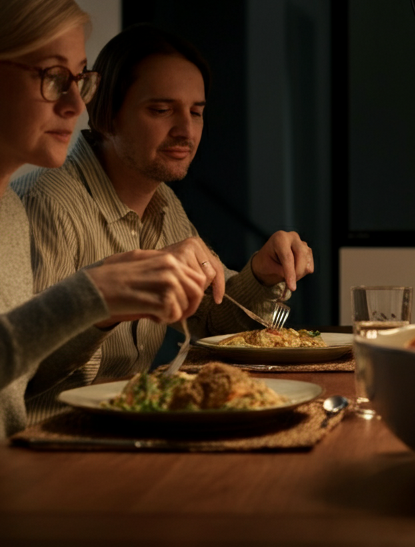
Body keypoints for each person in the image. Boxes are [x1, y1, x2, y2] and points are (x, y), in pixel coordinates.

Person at [14, 23, 315, 407]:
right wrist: (104, 304)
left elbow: (213, 321)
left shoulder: (164, 203)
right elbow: (21, 373)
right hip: (51, 443)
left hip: (126, 431)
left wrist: (261, 272)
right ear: (106, 112)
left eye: (196, 112)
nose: (186, 131)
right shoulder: (48, 201)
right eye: (161, 110)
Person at [0, 0, 207, 439]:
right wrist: (90, 297)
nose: (75, 104)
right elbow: (31, 387)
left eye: (79, 79)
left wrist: (259, 274)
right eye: (53, 78)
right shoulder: (43, 199)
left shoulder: (7, 210)